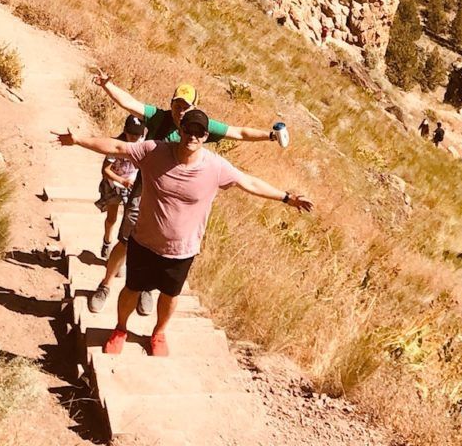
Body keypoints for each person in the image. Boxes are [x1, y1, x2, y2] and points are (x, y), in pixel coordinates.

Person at [60, 108, 312, 356]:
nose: (193, 136)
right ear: (180, 130)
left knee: (170, 295)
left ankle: (158, 333)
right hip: (144, 241)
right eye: (189, 129)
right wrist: (78, 140)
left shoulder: (215, 167)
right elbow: (117, 148)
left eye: (199, 131)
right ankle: (120, 329)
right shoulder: (153, 151)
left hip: (182, 250)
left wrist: (287, 198)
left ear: (205, 136)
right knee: (131, 289)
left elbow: (249, 182)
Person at [74, 71, 289, 317]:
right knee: (125, 240)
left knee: (161, 247)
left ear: (194, 107)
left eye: (185, 106)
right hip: (145, 189)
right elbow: (128, 103)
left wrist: (270, 136)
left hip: (177, 199)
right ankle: (105, 286)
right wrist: (107, 86)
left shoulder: (200, 126)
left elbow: (239, 133)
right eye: (177, 104)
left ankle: (146, 289)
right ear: (171, 104)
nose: (180, 110)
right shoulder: (158, 117)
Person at [96, 115, 146, 260]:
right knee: (112, 218)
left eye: (137, 135)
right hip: (113, 184)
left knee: (130, 219)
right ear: (125, 131)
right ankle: (107, 241)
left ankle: (122, 252)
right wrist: (122, 181)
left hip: (132, 184)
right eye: (131, 134)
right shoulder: (116, 145)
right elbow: (105, 170)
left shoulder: (142, 144)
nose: (134, 138)